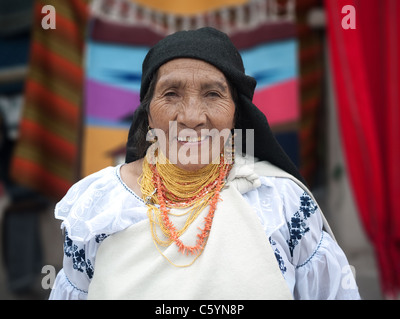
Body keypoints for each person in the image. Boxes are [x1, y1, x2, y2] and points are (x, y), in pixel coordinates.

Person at [49, 27, 360, 300]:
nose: (192, 117)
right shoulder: (98, 207)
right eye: (171, 94)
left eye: (213, 94)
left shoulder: (281, 203)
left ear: (237, 113)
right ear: (148, 113)